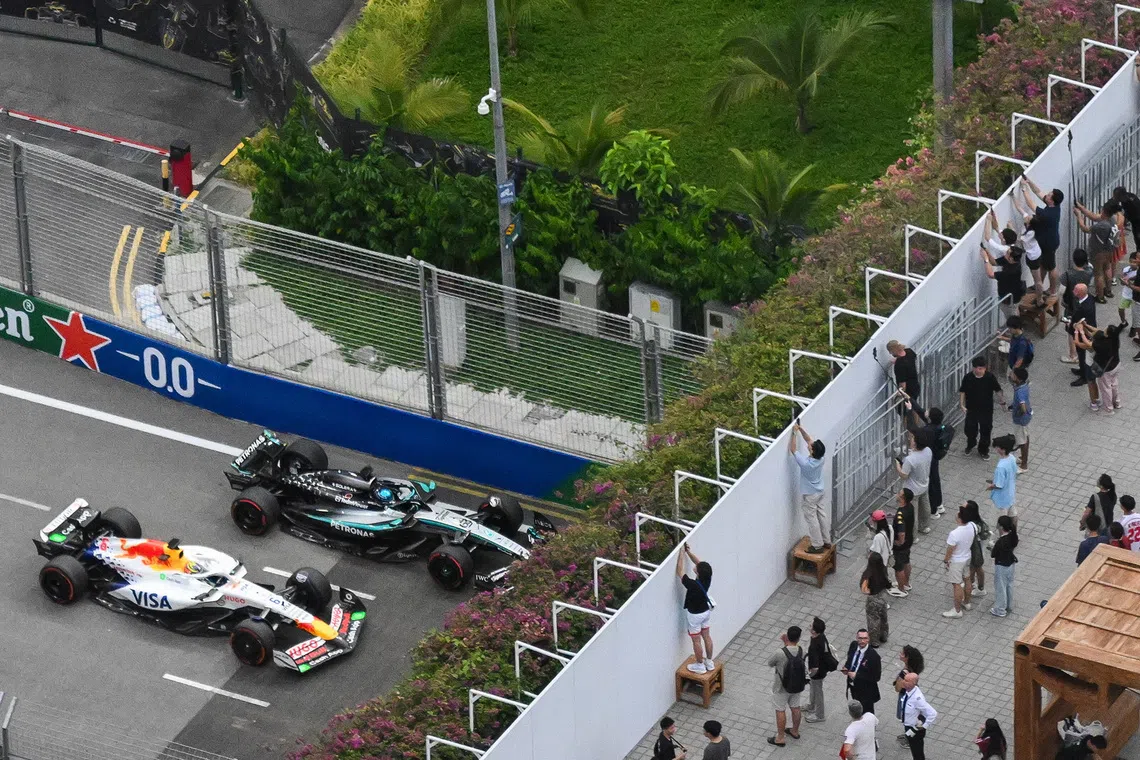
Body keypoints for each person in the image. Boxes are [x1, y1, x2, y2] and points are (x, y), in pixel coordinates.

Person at [903, 397, 952, 519]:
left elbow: (912, 427)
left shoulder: (927, 430)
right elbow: (919, 410)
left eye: (928, 412)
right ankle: (939, 504)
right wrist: (908, 397)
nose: (925, 411)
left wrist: (909, 411)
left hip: (929, 458)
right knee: (936, 480)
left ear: (929, 418)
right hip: (934, 456)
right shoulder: (937, 425)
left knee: (930, 483)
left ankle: (934, 510)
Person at [1074, 199, 1125, 302]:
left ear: (1104, 211)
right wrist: (1082, 208)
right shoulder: (1112, 219)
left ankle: (1100, 296)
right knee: (1107, 268)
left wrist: (1079, 215)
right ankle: (1108, 291)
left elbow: (1085, 229)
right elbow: (1093, 216)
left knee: (1098, 273)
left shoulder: (1101, 226)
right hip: (1109, 249)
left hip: (1098, 251)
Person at [789, 423, 829, 553]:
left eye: (810, 447)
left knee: (812, 519)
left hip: (810, 495)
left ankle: (817, 545)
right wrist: (800, 429)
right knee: (821, 514)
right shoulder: (821, 458)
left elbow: (793, 449)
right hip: (820, 491)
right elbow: (808, 439)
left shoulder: (806, 464)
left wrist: (794, 433)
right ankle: (826, 540)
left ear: (812, 451)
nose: (808, 444)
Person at [1021, 176, 1064, 294]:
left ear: (1052, 200)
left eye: (1049, 195)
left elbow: (1031, 204)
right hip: (1048, 241)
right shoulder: (1054, 205)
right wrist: (1029, 181)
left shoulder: (1048, 214)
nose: (1047, 195)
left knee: (1051, 267)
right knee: (1044, 264)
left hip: (1049, 244)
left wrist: (1024, 188)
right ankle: (1038, 284)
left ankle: (1052, 290)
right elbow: (1038, 192)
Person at [676, 543, 715, 674]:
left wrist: (681, 554)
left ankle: (699, 665)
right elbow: (700, 563)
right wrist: (689, 552)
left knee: (696, 640)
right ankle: (709, 662)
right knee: (707, 636)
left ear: (698, 572)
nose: (696, 566)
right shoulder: (707, 578)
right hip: (705, 612)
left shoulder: (692, 584)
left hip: (695, 615)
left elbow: (679, 572)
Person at [980, 211, 1026, 314]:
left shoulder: (1009, 268)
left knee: (1011, 317)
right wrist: (994, 219)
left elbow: (990, 274)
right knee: (1015, 312)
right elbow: (995, 263)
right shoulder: (1014, 252)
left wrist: (988, 220)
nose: (1005, 255)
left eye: (1007, 254)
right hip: (1016, 294)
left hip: (1009, 299)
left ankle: (1014, 328)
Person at [960, 356, 1005, 460]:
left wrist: (1002, 402)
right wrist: (962, 404)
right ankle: (970, 445)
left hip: (986, 410)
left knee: (986, 430)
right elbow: (963, 391)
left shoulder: (990, 377)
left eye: (980, 368)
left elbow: (998, 390)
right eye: (975, 368)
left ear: (985, 368)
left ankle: (983, 450)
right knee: (970, 429)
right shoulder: (968, 378)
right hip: (971, 409)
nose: (977, 370)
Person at [767, 626, 805, 746]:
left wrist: (785, 644)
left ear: (787, 636)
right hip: (797, 685)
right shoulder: (800, 650)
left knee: (780, 710)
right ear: (798, 638)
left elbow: (770, 663)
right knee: (795, 707)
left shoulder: (779, 653)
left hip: (781, 686)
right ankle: (795, 731)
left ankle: (780, 738)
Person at [1012, 188, 1047, 303]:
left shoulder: (1031, 233)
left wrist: (1010, 227)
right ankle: (1038, 295)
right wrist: (1013, 196)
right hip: (1033, 254)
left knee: (1037, 280)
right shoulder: (1030, 225)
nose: (1027, 216)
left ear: (1030, 223)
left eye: (1029, 218)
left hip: (1033, 257)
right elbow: (1019, 208)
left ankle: (1039, 299)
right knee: (1036, 278)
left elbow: (1018, 240)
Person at [1060, 250, 1095, 363]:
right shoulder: (1089, 272)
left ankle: (1072, 355)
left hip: (1071, 306)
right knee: (1085, 326)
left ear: (1073, 260)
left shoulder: (1067, 274)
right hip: (1084, 303)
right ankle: (1086, 348)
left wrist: (1062, 300)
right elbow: (1090, 268)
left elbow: (1061, 290)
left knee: (1071, 330)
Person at [942, 506, 977, 619]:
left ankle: (957, 610)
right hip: (967, 556)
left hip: (957, 561)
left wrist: (946, 560)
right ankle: (967, 602)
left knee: (956, 584)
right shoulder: (972, 526)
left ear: (960, 518)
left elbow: (950, 549)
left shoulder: (954, 533)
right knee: (967, 579)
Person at [896, 430, 933, 533]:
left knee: (912, 513)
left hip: (912, 489)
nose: (910, 439)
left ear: (915, 443)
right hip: (924, 484)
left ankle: (913, 536)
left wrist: (898, 466)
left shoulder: (910, 459)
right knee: (925, 507)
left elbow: (904, 475)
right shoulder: (928, 451)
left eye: (912, 438)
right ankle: (925, 526)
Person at [897, 672, 937, 760]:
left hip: (915, 729)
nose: (903, 682)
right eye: (904, 679)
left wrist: (924, 726)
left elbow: (933, 713)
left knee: (917, 753)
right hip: (909, 726)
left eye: (907, 681)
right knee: (915, 750)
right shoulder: (908, 691)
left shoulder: (917, 698)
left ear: (913, 683)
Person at [1085, 322, 1124, 413]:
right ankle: (1117, 403)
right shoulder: (1115, 338)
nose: (1104, 329)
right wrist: (1086, 325)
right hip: (1116, 364)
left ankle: (1109, 408)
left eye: (1106, 329)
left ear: (1107, 334)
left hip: (1106, 369)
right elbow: (1099, 331)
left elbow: (1087, 344)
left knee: (1106, 389)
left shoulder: (1101, 344)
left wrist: (1081, 332)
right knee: (1114, 384)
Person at [842, 629, 882, 715]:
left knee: (867, 712)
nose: (862, 641)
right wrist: (847, 667)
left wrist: (857, 675)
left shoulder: (873, 656)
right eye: (860, 638)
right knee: (857, 708)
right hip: (853, 686)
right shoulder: (853, 645)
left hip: (866, 690)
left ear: (868, 639)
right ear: (856, 638)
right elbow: (850, 659)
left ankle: (870, 726)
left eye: (865, 638)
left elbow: (876, 677)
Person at [804, 616, 835, 723]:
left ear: (814, 631)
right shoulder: (821, 636)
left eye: (811, 625)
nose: (809, 626)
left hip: (818, 672)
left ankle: (820, 715)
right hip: (822, 668)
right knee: (813, 688)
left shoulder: (814, 646)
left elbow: (815, 667)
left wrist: (810, 674)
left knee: (818, 691)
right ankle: (811, 706)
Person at [987, 435, 1019, 532]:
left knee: (1001, 521)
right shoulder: (1012, 458)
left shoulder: (1001, 467)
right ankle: (1014, 533)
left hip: (1001, 499)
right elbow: (1014, 473)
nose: (996, 449)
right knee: (1013, 514)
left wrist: (990, 486)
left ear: (1003, 449)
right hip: (1010, 493)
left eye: (998, 447)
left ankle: (1000, 539)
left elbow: (999, 485)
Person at [990, 515, 1018, 618]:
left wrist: (992, 546)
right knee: (1009, 584)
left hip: (1001, 566)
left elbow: (993, 554)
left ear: (1001, 527)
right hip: (1011, 563)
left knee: (1000, 587)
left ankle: (1000, 609)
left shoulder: (1000, 542)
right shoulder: (1013, 536)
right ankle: (1009, 605)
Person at [889, 489, 915, 598]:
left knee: (898, 566)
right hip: (909, 540)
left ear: (903, 498)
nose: (897, 494)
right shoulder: (911, 507)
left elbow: (901, 532)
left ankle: (901, 589)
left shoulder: (900, 514)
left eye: (899, 493)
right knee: (906, 561)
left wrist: (899, 542)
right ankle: (906, 583)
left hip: (901, 544)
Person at [861, 553, 891, 647]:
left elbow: (864, 589)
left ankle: (874, 641)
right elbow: (888, 582)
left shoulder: (868, 574)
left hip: (873, 598)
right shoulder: (883, 569)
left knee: (873, 619)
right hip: (883, 596)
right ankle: (884, 636)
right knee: (883, 617)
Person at [962, 500, 988, 598]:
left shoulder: (972, 525)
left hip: (976, 550)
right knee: (976, 568)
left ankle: (977, 587)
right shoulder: (978, 521)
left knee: (974, 568)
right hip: (977, 549)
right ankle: (975, 586)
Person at [1008, 366, 1032, 472]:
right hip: (1026, 417)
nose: (1011, 375)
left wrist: (1017, 412)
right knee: (1025, 437)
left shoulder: (1019, 391)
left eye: (1013, 374)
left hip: (1020, 420)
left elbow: (1023, 407)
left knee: (1022, 440)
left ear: (1018, 378)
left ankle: (1024, 465)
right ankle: (1023, 458)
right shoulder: (1023, 385)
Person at [1112, 185, 1140, 251]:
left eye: (1116, 196)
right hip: (1135, 221)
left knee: (1138, 239)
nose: (1114, 197)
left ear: (1121, 196)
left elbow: (1131, 215)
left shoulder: (1132, 204)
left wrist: (1122, 223)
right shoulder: (1127, 197)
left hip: (1138, 222)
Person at [1118, 250, 1138, 331]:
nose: (1132, 264)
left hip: (1135, 296)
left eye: (1134, 262)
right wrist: (1123, 280)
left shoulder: (1138, 272)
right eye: (1130, 261)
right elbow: (1123, 283)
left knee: (1135, 313)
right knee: (1120, 308)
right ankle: (1123, 322)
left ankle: (1134, 327)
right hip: (1126, 294)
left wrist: (1127, 282)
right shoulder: (1126, 269)